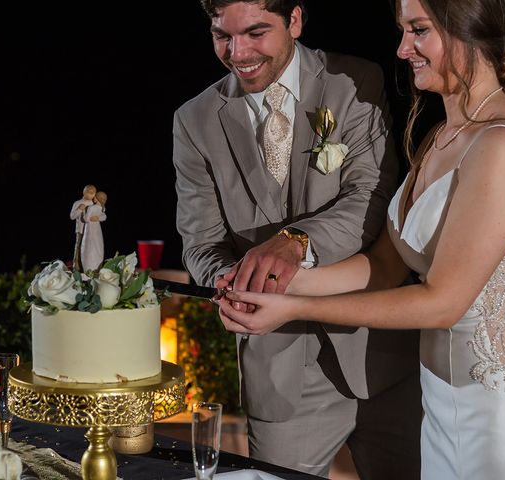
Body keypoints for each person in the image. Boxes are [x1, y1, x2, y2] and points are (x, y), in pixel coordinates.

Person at [218, 0, 505, 477]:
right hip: (442, 398)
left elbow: (442, 302)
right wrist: (274, 283)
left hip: (493, 408)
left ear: (468, 31)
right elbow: (386, 266)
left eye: (418, 31)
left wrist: (296, 309)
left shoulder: (502, 146)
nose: (403, 48)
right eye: (403, 31)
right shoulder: (443, 136)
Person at [173, 0, 421, 477]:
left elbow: (371, 197)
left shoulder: (354, 82)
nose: (237, 51)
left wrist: (295, 241)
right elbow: (200, 243)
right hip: (279, 374)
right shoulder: (194, 120)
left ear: (295, 20)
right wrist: (229, 281)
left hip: (381, 358)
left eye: (255, 32)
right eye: (222, 35)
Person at [70, 184, 97, 271]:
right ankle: (76, 264)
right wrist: (79, 209)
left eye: (93, 193)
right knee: (78, 246)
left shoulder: (94, 204)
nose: (91, 194)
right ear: (84, 192)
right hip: (81, 230)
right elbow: (72, 216)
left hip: (91, 231)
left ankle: (88, 266)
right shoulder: (78, 203)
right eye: (89, 192)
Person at [80, 191, 107, 273]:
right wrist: (98, 218)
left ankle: (88, 269)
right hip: (97, 230)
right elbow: (104, 216)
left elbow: (86, 219)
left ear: (96, 198)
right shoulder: (102, 208)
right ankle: (97, 268)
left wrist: (83, 211)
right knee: (98, 246)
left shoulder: (92, 208)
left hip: (90, 230)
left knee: (89, 247)